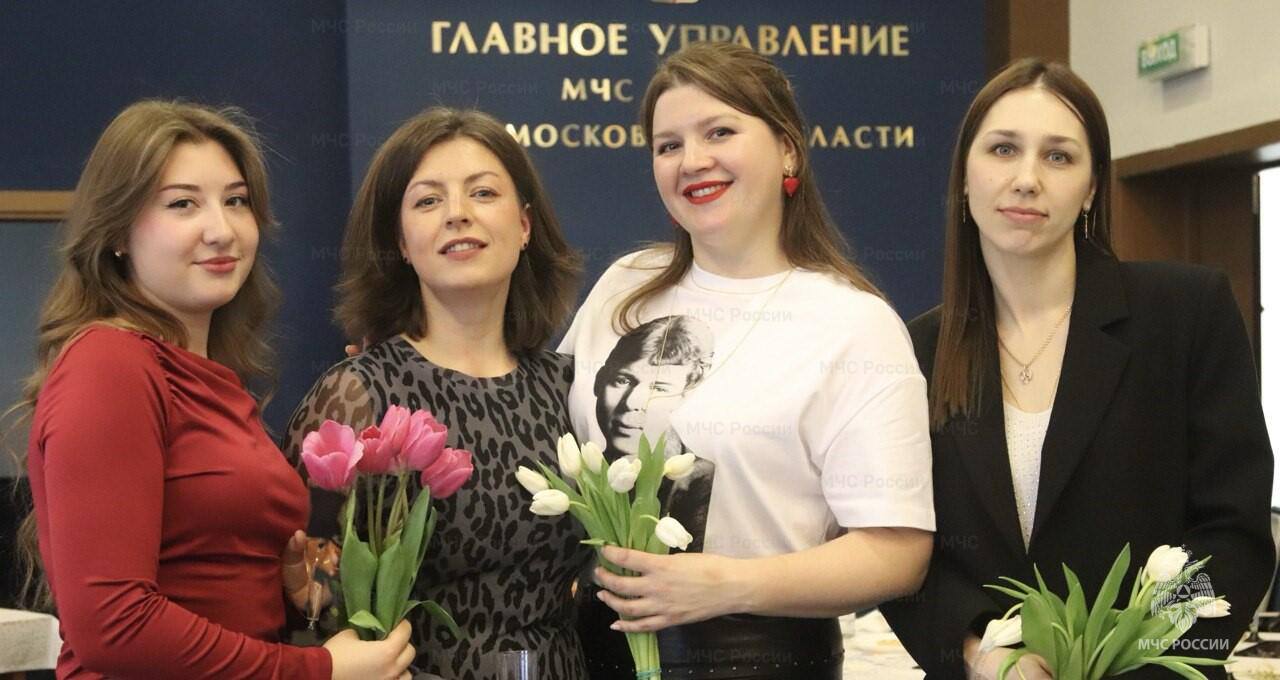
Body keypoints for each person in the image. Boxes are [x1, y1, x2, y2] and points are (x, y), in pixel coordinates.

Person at [878, 59, 1275, 680]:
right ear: (964, 177)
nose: (1026, 179)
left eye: (1058, 157)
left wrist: (1124, 655)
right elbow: (901, 550)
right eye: (1003, 149)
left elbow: (1233, 536)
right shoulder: (916, 350)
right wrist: (981, 654)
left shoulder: (1186, 311)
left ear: (1091, 188)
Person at [559, 42, 936, 679]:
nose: (692, 161)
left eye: (720, 132)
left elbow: (897, 553)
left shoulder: (854, 324)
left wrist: (727, 585)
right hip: (593, 655)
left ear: (788, 149)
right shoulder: (625, 287)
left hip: (760, 659)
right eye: (668, 145)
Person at [13, 100, 415, 679]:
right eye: (182, 204)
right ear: (118, 231)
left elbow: (206, 586)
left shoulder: (207, 377)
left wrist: (291, 588)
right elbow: (112, 626)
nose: (222, 230)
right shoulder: (109, 365)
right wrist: (317, 671)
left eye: (236, 201)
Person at [282, 107, 589, 680]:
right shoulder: (357, 393)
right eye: (428, 201)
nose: (458, 214)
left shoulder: (569, 386)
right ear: (401, 242)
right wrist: (312, 598)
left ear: (525, 226)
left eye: (483, 192)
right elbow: (310, 596)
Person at [592, 315, 716, 552]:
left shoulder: (696, 483)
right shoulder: (590, 466)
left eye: (659, 388)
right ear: (599, 381)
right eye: (622, 380)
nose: (632, 402)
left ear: (686, 399)